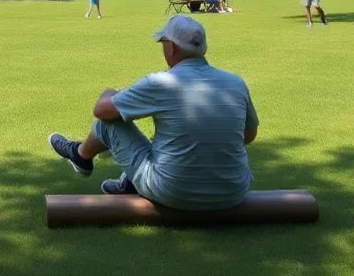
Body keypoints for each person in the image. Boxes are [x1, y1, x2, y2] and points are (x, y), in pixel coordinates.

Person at [48, 15, 258, 208]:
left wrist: (109, 92)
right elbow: (248, 136)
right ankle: (128, 181)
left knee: (109, 123)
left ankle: (81, 155)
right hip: (233, 192)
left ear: (172, 48)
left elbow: (102, 111)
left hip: (172, 192)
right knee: (165, 142)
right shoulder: (235, 82)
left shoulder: (161, 82)